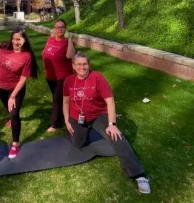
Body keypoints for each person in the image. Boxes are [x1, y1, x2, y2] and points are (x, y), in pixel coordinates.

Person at [63, 52, 151, 194]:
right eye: (78, 64)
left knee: (117, 138)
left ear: (89, 65)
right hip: (77, 116)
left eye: (85, 64)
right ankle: (88, 131)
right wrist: (67, 120)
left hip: (99, 115)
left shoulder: (97, 78)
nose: (82, 67)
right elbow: (66, 101)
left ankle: (139, 175)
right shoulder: (69, 81)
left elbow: (109, 101)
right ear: (73, 66)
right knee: (77, 143)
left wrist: (112, 124)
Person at [0, 27, 38, 159]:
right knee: (8, 108)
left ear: (24, 40)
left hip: (15, 88)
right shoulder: (4, 47)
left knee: (14, 113)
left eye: (18, 39)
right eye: (13, 38)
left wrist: (13, 96)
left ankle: (15, 144)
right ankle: (11, 118)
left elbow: (23, 78)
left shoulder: (26, 56)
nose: (15, 42)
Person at [42, 19, 75, 132]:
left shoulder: (67, 42)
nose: (60, 29)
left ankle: (54, 124)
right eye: (57, 27)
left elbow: (70, 56)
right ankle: (64, 115)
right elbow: (45, 53)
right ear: (54, 29)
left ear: (65, 29)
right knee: (59, 98)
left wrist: (70, 40)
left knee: (56, 99)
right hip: (50, 75)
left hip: (63, 76)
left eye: (62, 27)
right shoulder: (50, 39)